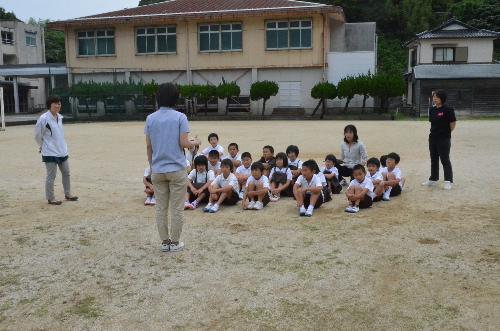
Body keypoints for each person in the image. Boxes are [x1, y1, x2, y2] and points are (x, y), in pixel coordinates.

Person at [145, 83, 201, 253]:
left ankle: (164, 242)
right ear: (176, 98)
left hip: (158, 169)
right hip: (176, 169)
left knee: (161, 207)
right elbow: (184, 143)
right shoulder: (180, 117)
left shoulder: (150, 118)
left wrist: (152, 166)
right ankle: (175, 243)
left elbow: (149, 146)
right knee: (176, 208)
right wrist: (196, 142)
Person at [34, 95, 78, 205]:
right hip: (50, 152)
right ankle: (51, 198)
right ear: (50, 105)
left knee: (66, 173)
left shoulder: (60, 117)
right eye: (56, 103)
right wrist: (42, 146)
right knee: (51, 176)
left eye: (59, 103)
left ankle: (68, 194)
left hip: (62, 150)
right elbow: (37, 135)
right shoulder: (44, 118)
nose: (58, 105)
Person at [422, 90, 456, 190]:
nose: (434, 98)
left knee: (445, 159)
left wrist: (446, 134)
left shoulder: (448, 109)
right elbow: (432, 123)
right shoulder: (432, 109)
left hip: (444, 138)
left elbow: (452, 124)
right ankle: (433, 179)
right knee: (434, 159)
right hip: (432, 138)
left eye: (437, 97)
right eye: (434, 97)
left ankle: (448, 181)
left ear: (442, 98)